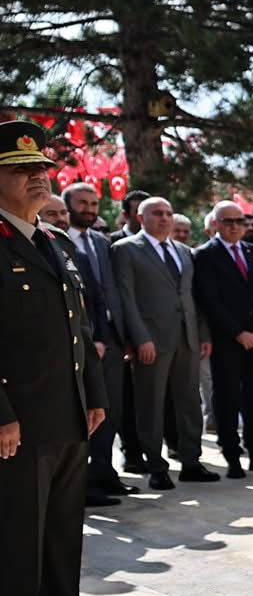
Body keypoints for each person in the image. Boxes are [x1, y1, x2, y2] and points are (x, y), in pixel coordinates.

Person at [0, 120, 124, 596]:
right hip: (19, 420)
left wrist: (93, 395)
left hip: (68, 412)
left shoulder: (52, 242)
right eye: (21, 170)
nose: (36, 178)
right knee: (20, 532)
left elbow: (80, 327)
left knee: (60, 530)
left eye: (41, 169)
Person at [112, 196, 214, 487]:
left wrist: (203, 335)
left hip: (188, 339)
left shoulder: (184, 252)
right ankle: (156, 467)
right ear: (141, 218)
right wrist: (139, 338)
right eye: (157, 213)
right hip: (152, 341)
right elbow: (126, 299)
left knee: (189, 402)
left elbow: (193, 297)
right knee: (150, 405)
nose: (165, 218)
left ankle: (192, 462)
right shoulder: (126, 250)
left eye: (169, 213)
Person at [192, 201, 253, 477]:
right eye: (227, 221)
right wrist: (237, 333)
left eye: (239, 221)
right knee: (227, 397)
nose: (234, 226)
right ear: (216, 224)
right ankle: (231, 455)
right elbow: (209, 300)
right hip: (227, 340)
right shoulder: (205, 255)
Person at [60, 181, 132, 504]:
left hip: (111, 339)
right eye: (81, 203)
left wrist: (117, 337)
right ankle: (83, 484)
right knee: (82, 415)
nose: (89, 209)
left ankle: (104, 473)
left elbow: (109, 293)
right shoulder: (56, 243)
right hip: (80, 342)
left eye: (93, 203)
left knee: (109, 410)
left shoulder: (103, 243)